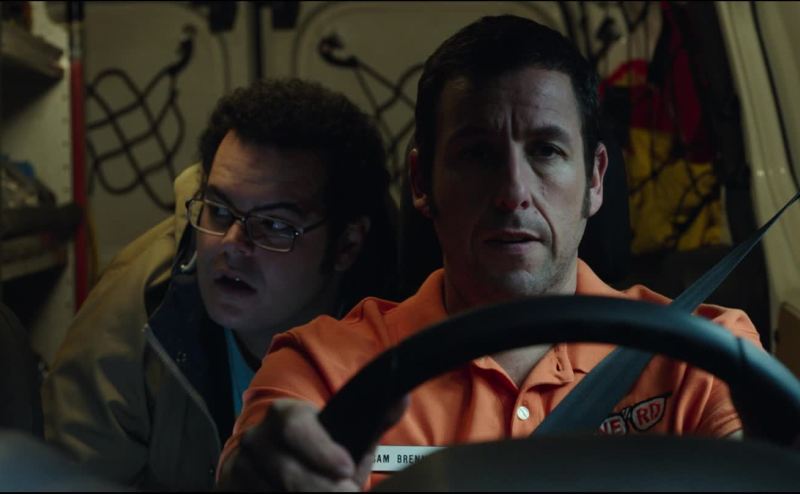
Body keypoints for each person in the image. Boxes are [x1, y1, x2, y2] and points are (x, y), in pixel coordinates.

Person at [215, 15, 762, 491]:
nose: (513, 192)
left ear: (596, 179)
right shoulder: (325, 368)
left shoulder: (704, 353)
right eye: (478, 154)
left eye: (545, 150)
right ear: (421, 181)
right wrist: (264, 473)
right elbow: (268, 453)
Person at [42, 78, 397, 490]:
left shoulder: (407, 313)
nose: (231, 244)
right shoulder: (137, 307)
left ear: (347, 245)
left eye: (274, 225)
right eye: (219, 210)